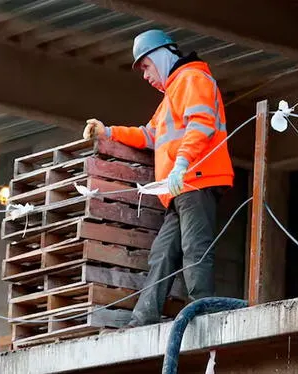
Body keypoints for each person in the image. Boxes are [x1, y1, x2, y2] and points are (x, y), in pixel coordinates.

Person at [82, 29, 234, 327]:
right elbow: (148, 135)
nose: (145, 76)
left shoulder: (193, 79)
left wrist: (181, 164)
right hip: (179, 187)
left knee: (194, 249)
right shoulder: (172, 95)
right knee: (162, 254)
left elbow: (201, 123)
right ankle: (143, 317)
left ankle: (202, 311)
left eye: (146, 66)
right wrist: (108, 132)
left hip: (195, 180)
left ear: (161, 57)